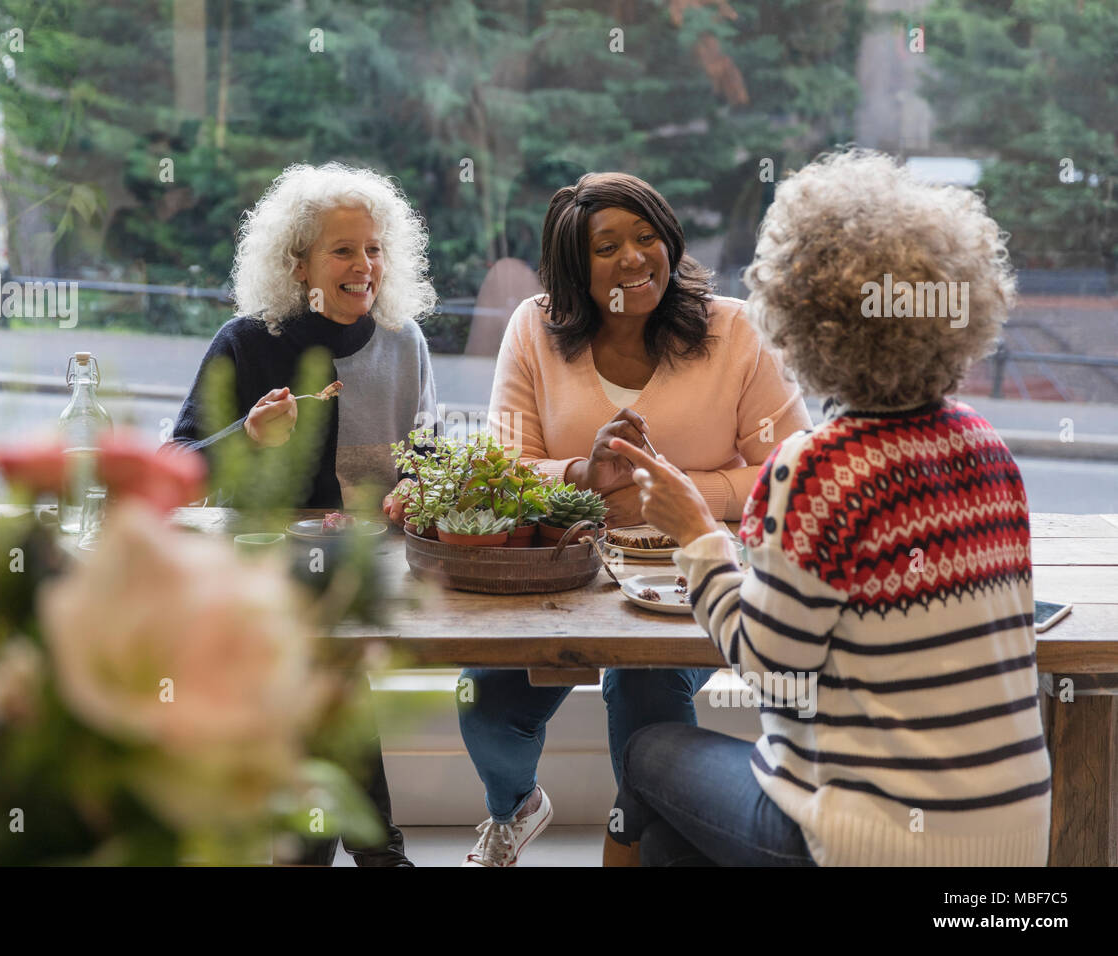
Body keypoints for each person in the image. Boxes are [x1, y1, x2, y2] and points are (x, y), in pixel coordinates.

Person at [606, 149, 1050, 866]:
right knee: (665, 846)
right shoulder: (985, 444)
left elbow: (768, 670)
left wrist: (695, 536)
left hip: (863, 844)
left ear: (800, 322)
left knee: (646, 750)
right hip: (1014, 841)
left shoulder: (821, 466)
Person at [457, 172, 812, 866]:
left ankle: (637, 838)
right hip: (562, 570)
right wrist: (583, 478)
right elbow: (503, 467)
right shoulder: (533, 327)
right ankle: (515, 807)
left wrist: (678, 493)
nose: (634, 258)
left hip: (690, 573)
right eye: (607, 245)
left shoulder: (732, 329)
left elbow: (791, 469)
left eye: (647, 236)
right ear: (572, 266)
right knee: (486, 698)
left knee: (645, 690)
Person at [171, 161, 440, 866]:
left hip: (368, 572)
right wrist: (248, 438)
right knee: (326, 671)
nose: (365, 266)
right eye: (343, 250)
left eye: (375, 248)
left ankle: (333, 856)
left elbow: (428, 464)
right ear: (298, 264)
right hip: (264, 574)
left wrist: (417, 490)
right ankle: (379, 854)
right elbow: (177, 466)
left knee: (327, 673)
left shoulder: (403, 341)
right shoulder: (247, 341)